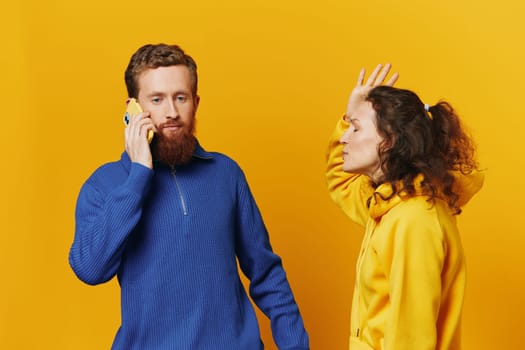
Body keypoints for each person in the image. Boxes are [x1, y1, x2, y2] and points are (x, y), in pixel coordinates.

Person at [69, 43, 309, 350]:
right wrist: (139, 176)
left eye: (180, 98)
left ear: (195, 102)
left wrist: (296, 345)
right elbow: (91, 268)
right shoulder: (105, 184)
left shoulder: (226, 173)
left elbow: (266, 273)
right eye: (156, 99)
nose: (171, 112)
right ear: (133, 109)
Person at [326, 64, 484, 350]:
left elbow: (412, 338)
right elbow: (341, 182)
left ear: (390, 141)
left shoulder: (413, 219)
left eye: (356, 127)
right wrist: (351, 112)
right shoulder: (386, 204)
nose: (345, 137)